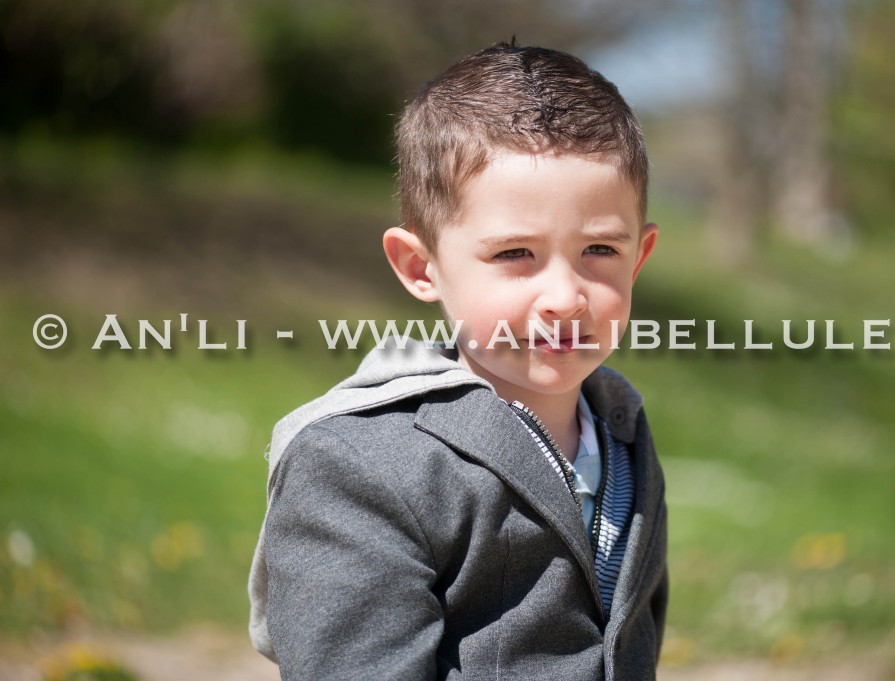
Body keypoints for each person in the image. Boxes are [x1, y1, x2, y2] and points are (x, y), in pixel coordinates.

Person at [248, 40, 667, 680]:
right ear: (422, 267)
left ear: (638, 258)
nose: (564, 297)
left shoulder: (622, 428)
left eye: (600, 250)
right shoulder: (360, 463)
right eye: (515, 254)